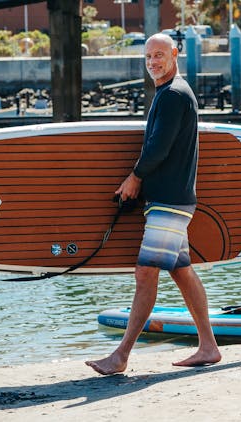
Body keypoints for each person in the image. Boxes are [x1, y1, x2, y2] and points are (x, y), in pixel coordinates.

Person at [86, 33, 221, 375]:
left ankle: (120, 356)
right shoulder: (170, 92)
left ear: (175, 54)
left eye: (159, 55)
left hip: (170, 202)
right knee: (181, 271)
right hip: (172, 199)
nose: (153, 62)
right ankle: (208, 346)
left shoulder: (173, 94)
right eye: (148, 57)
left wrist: (134, 178)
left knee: (146, 273)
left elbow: (158, 148)